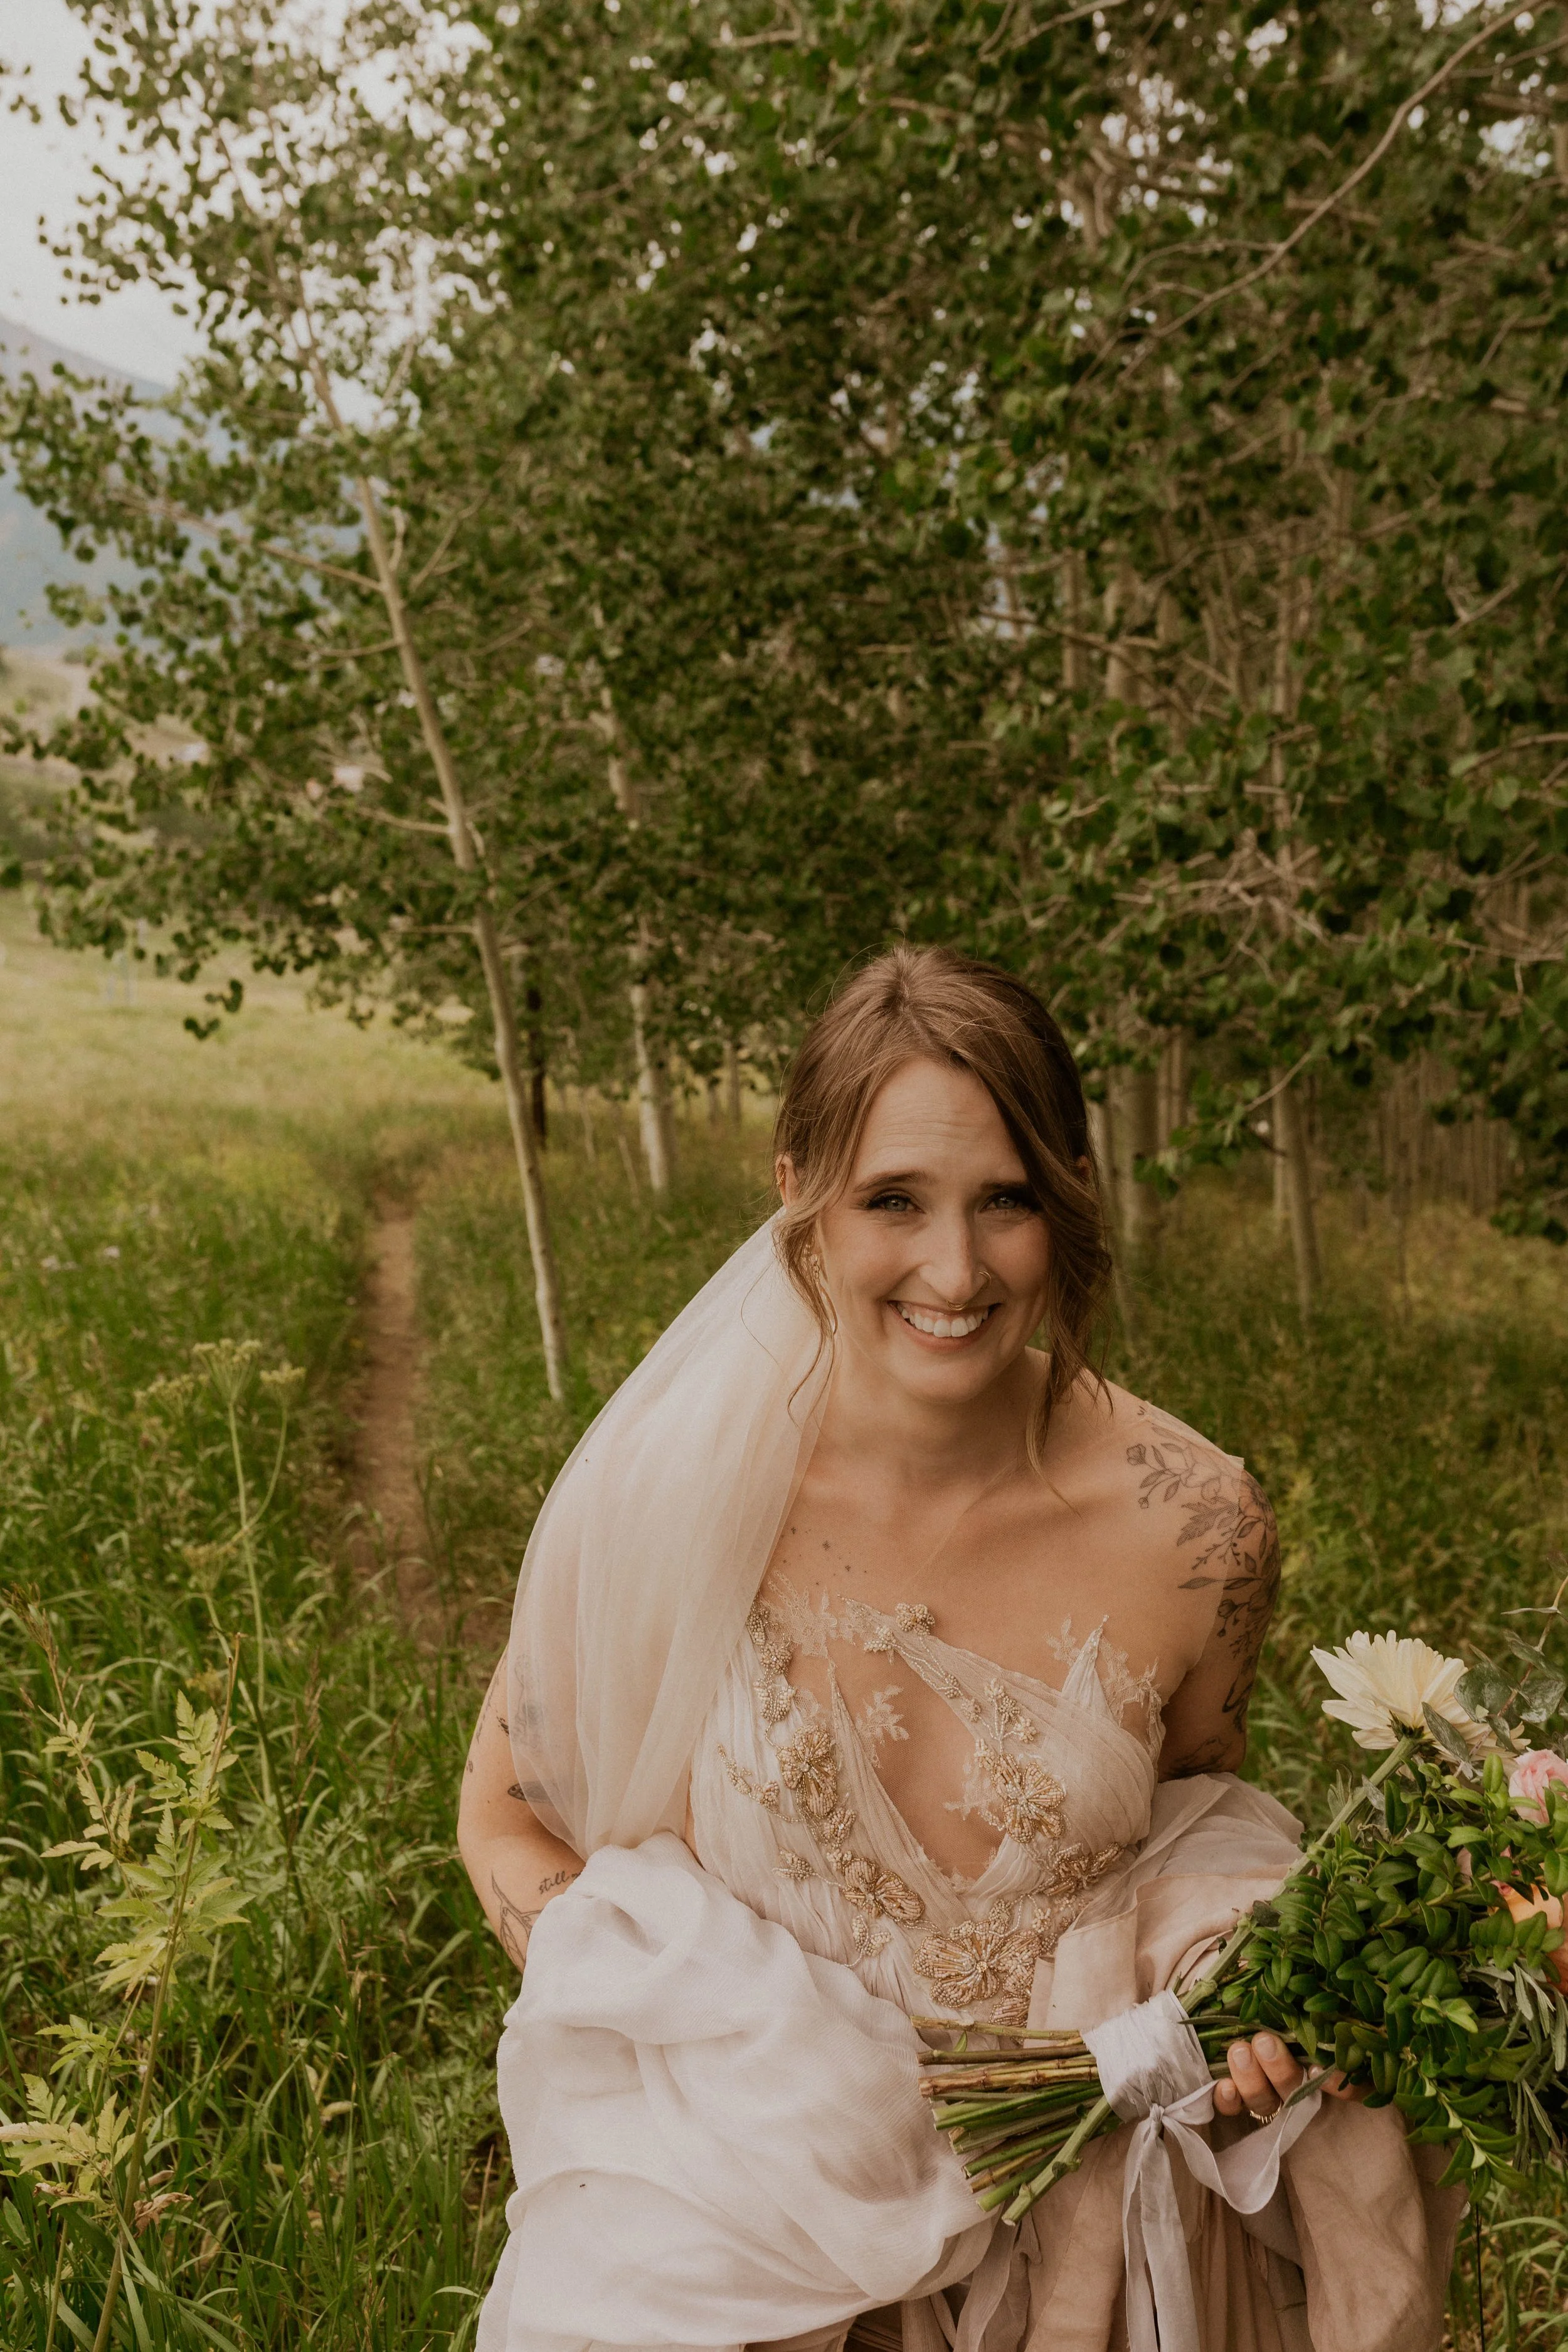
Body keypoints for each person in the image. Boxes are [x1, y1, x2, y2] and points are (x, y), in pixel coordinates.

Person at [458, 948, 1462, 2352]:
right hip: (737, 2230)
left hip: (1090, 2247)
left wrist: (1225, 1977)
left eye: (1005, 1201)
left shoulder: (1198, 1526)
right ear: (794, 1188)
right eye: (892, 1202)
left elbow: (1192, 1817)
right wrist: (685, 2007)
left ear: (1070, 1193)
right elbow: (505, 1814)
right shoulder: (659, 1501)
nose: (954, 1267)